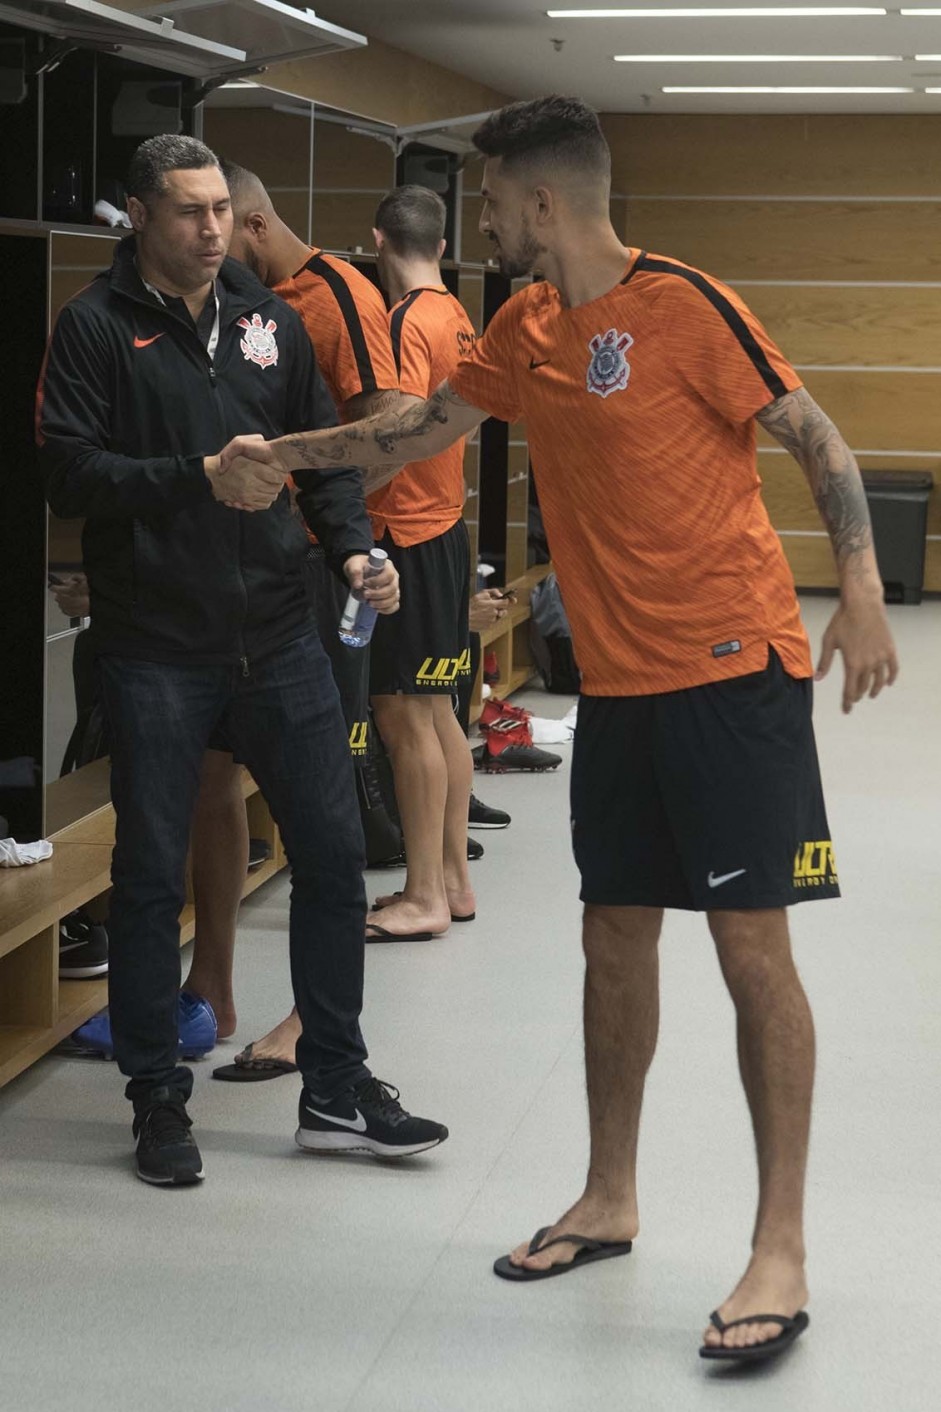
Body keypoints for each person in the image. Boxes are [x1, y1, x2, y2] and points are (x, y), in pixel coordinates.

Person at [219, 96, 899, 1360]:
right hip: (618, 691)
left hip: (732, 670)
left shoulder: (685, 304)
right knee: (611, 940)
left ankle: (780, 1242)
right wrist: (286, 454)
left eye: (489, 200)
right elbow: (416, 427)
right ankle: (609, 1191)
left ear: (541, 202)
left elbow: (813, 437)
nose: (481, 220)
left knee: (752, 956)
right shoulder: (526, 327)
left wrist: (857, 588)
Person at [37, 133, 447, 1186]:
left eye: (221, 206)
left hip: (279, 638)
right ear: (140, 214)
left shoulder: (270, 322)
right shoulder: (91, 328)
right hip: (156, 652)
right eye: (187, 209)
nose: (213, 227)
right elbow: (69, 473)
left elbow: (321, 460)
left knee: (330, 854)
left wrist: (356, 551)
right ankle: (156, 1101)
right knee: (143, 880)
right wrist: (195, 476)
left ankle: (334, 1083)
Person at [183, 159, 405, 1075]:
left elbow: (388, 422)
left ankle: (313, 1029)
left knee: (320, 812)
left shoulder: (326, 299)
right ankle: (214, 986)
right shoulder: (218, 316)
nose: (207, 244)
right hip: (228, 598)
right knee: (213, 781)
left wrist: (323, 535)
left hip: (314, 577)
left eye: (220, 220)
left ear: (254, 223)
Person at [364, 185, 477, 943]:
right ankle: (455, 886)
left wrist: (331, 500)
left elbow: (397, 434)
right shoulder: (459, 314)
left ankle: (422, 894)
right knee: (437, 714)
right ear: (440, 245)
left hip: (405, 533)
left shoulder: (404, 319)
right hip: (447, 532)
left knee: (404, 715)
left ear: (377, 242)